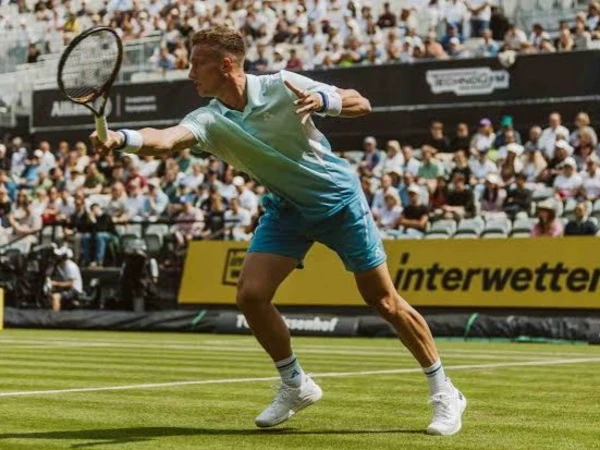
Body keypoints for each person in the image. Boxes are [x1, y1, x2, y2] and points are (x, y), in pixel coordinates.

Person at [90, 25, 466, 435]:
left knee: (384, 301)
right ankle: (296, 384)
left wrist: (324, 100)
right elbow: (164, 140)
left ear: (226, 65)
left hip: (338, 202)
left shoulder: (282, 85)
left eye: (197, 63)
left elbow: (361, 103)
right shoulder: (208, 119)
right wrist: (122, 138)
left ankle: (445, 392)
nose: (189, 72)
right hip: (287, 209)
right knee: (251, 296)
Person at [48, 246, 83, 312]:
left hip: (75, 289)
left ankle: (55, 315)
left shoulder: (70, 266)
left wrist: (55, 283)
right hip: (66, 288)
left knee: (56, 297)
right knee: (49, 294)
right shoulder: (60, 265)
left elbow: (70, 283)